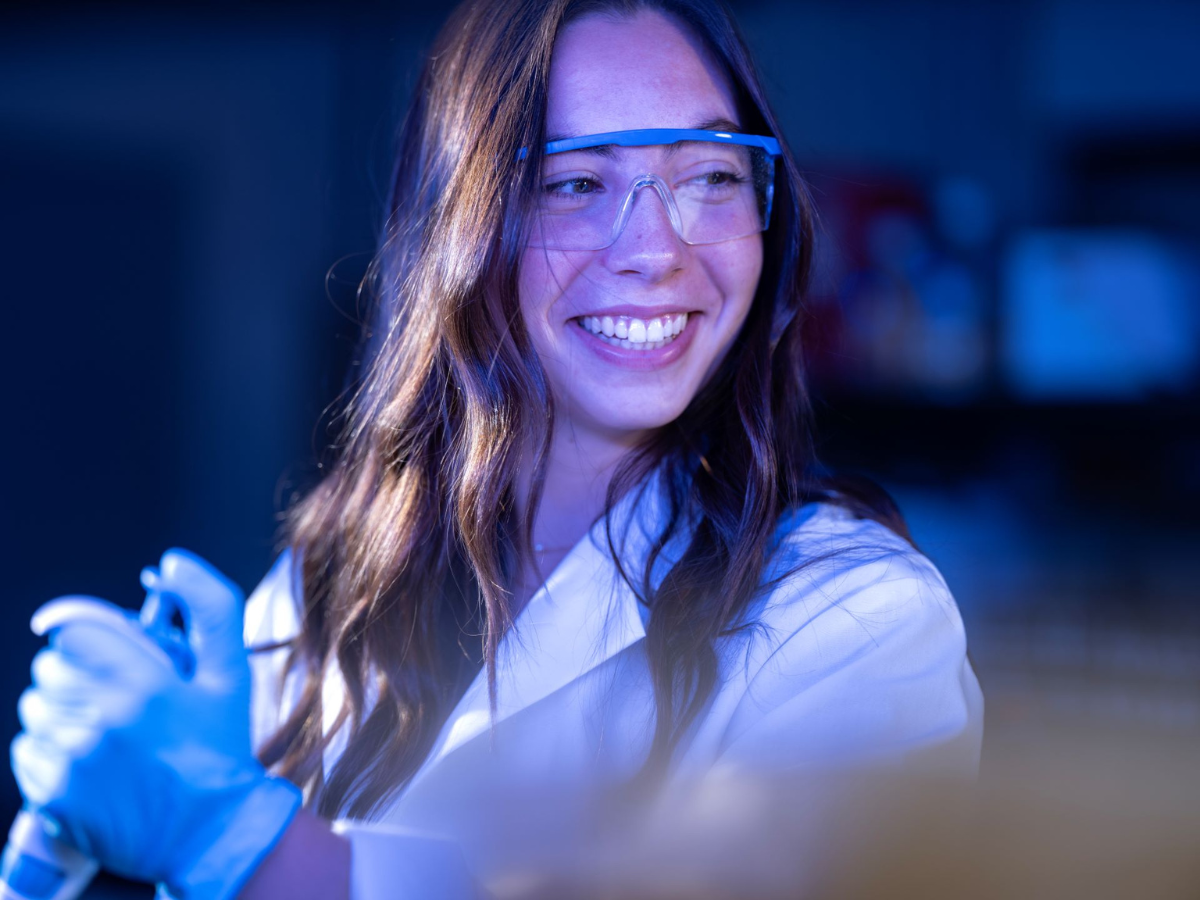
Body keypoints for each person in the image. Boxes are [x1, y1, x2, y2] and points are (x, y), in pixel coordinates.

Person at [10, 0, 984, 897]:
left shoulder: (859, 620)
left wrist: (227, 837)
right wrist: (104, 811)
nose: (655, 249)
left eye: (713, 176)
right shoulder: (336, 584)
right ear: (458, 224)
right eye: (574, 182)